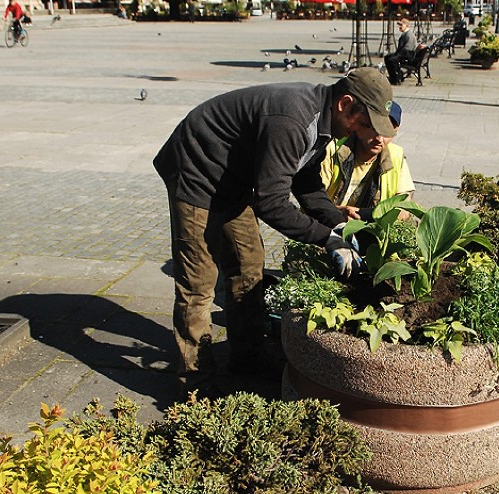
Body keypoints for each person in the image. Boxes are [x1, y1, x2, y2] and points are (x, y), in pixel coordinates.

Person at [153, 68, 396, 397]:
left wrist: (337, 223)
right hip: (197, 170)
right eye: (364, 123)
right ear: (346, 104)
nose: (364, 133)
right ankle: (196, 385)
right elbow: (272, 202)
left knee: (248, 264)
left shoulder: (325, 124)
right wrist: (327, 240)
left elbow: (306, 180)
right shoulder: (293, 119)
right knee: (199, 282)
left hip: (234, 178)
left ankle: (247, 358)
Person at [318, 101, 415, 222]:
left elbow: (404, 208)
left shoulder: (396, 156)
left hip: (372, 228)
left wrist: (363, 214)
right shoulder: (333, 150)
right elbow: (313, 202)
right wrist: (340, 213)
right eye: (374, 128)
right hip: (327, 225)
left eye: (387, 131)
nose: (379, 139)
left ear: (395, 131)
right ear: (360, 126)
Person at [385, 17, 418, 86]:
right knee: (387, 57)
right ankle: (394, 76)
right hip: (405, 54)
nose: (399, 27)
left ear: (407, 26)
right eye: (399, 25)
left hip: (407, 56)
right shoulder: (406, 34)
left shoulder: (409, 35)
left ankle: (396, 78)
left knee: (392, 60)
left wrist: (397, 55)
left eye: (401, 25)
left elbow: (407, 49)